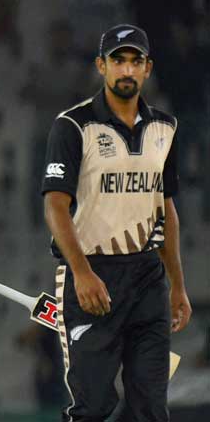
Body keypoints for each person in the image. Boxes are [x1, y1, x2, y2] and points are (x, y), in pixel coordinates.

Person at [41, 24, 192, 422]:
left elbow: (167, 209)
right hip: (93, 274)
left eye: (135, 61)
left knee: (150, 407)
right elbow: (55, 205)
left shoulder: (166, 128)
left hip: (146, 276)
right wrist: (81, 272)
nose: (127, 70)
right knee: (92, 407)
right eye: (118, 61)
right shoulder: (73, 126)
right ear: (101, 66)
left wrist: (176, 284)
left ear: (147, 68)